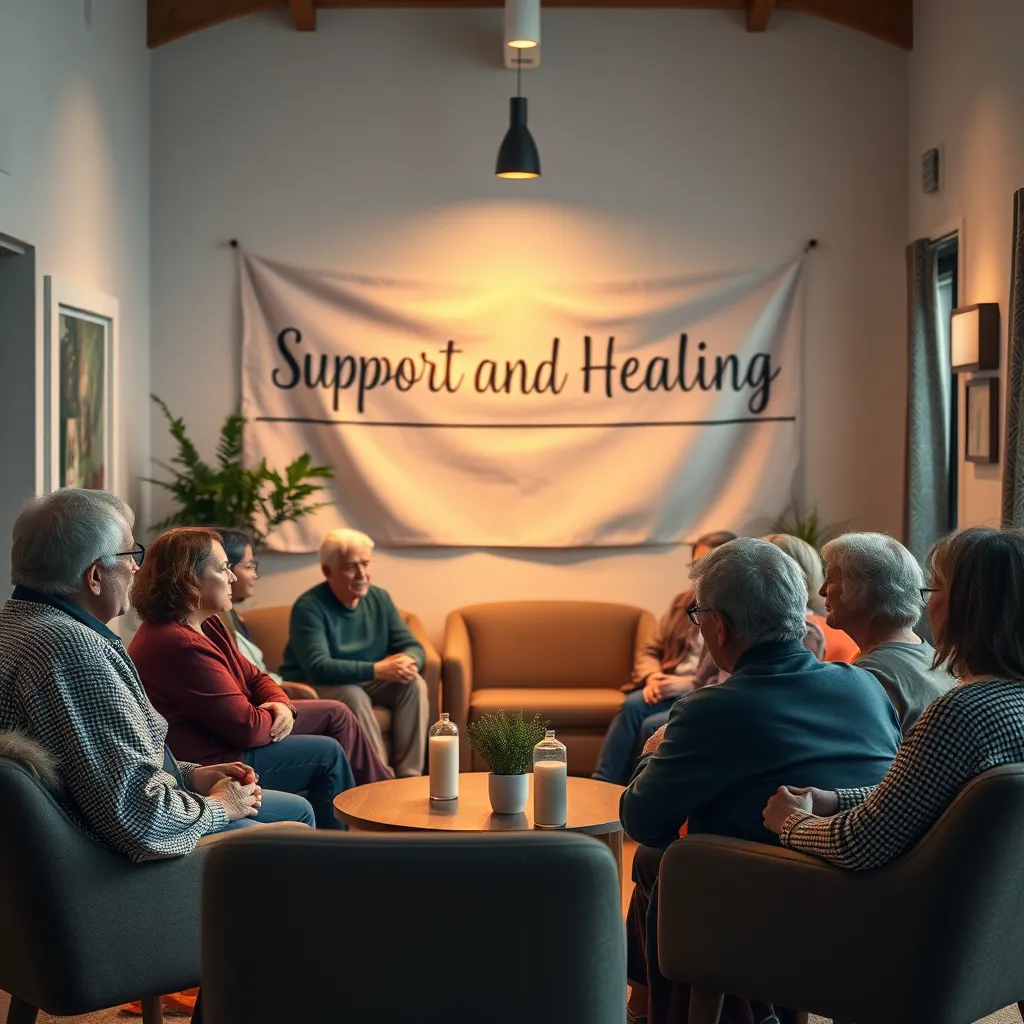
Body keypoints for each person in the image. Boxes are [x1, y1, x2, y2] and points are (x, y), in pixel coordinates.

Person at [620, 538, 902, 1024]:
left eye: (698, 616)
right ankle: (647, 1008)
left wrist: (652, 752)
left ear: (718, 625)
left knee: (666, 866)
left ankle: (656, 1013)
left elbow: (643, 818)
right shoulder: (865, 686)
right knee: (656, 865)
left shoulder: (714, 710)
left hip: (767, 909)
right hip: (871, 907)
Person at [764, 527, 1024, 872]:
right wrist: (836, 798)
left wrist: (790, 822)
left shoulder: (963, 713)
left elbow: (859, 844)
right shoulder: (1008, 702)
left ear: (968, 606)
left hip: (903, 908)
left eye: (935, 588)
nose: (927, 601)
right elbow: (920, 793)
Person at [129, 528, 391, 831]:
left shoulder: (206, 622)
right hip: (216, 755)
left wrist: (281, 704)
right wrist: (276, 710)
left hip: (233, 731)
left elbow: (255, 676)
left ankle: (380, 805)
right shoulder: (178, 643)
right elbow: (247, 728)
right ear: (190, 579)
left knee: (337, 713)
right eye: (224, 568)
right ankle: (347, 845)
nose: (233, 577)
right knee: (327, 753)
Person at [281, 528, 429, 777]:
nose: (362, 574)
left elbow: (413, 646)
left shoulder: (379, 598)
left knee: (413, 683)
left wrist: (408, 659)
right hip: (314, 683)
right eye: (351, 566)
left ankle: (410, 775)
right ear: (328, 571)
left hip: (365, 679)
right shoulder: (309, 607)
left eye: (365, 564)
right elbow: (319, 666)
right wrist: (378, 669)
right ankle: (379, 777)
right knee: (353, 694)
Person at [592, 530, 736, 785]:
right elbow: (650, 650)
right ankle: (602, 783)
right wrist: (652, 676)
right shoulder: (682, 602)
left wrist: (688, 684)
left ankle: (635, 791)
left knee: (651, 725)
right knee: (631, 706)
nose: (697, 574)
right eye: (694, 565)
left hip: (701, 690)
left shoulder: (734, 610)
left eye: (705, 565)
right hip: (665, 685)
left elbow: (733, 675)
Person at [815, 532, 955, 732]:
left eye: (830, 578)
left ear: (861, 590)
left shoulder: (870, 676)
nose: (821, 590)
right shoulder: (937, 658)